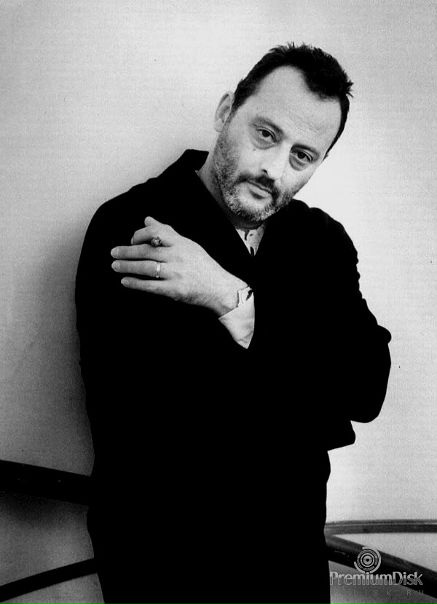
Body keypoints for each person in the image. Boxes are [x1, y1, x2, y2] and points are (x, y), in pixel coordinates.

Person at [75, 43, 391, 602]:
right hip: (167, 564)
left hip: (290, 562)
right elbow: (167, 428)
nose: (274, 169)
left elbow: (366, 387)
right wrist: (311, 405)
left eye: (302, 156)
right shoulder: (132, 225)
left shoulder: (322, 241)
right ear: (226, 112)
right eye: (266, 134)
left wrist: (227, 296)